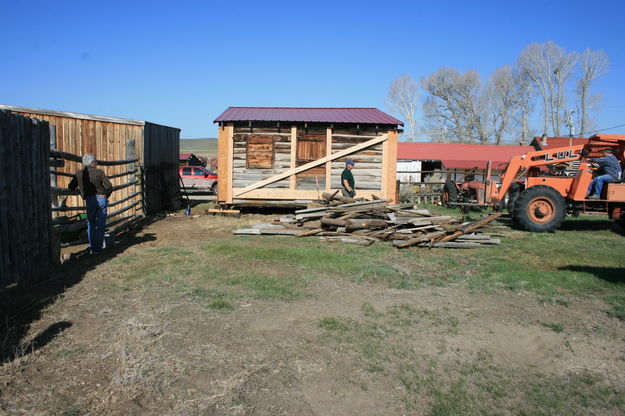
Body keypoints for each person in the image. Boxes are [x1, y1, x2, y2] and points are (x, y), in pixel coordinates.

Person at [68, 154, 113, 253]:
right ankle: (99, 247)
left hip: (89, 199)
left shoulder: (79, 174)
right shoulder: (99, 172)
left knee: (91, 223)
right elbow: (109, 186)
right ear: (92, 162)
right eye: (95, 161)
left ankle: (93, 247)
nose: (96, 163)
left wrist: (81, 191)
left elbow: (71, 186)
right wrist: (105, 195)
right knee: (101, 223)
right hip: (101, 198)